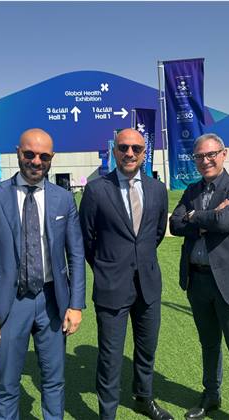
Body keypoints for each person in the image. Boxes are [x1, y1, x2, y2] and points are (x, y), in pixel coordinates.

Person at [0, 128, 86, 420]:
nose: (36, 161)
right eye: (30, 154)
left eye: (44, 156)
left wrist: (76, 305)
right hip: (10, 304)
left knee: (54, 381)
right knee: (7, 384)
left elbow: (76, 254)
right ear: (18, 153)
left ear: (52, 158)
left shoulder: (63, 199)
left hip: (52, 302)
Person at [79, 128, 173, 420]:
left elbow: (156, 233)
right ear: (114, 151)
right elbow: (86, 240)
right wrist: (107, 267)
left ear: (144, 153)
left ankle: (144, 399)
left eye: (136, 148)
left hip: (148, 285)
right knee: (110, 357)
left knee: (146, 350)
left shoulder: (157, 189)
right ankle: (107, 414)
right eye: (123, 148)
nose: (129, 153)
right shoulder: (96, 190)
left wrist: (138, 261)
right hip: (111, 287)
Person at [169, 133, 229, 420]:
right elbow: (175, 225)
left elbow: (225, 221)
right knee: (209, 345)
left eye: (211, 154)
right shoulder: (191, 190)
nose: (205, 160)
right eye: (199, 156)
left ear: (224, 154)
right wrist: (204, 217)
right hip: (197, 281)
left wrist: (194, 216)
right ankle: (211, 395)